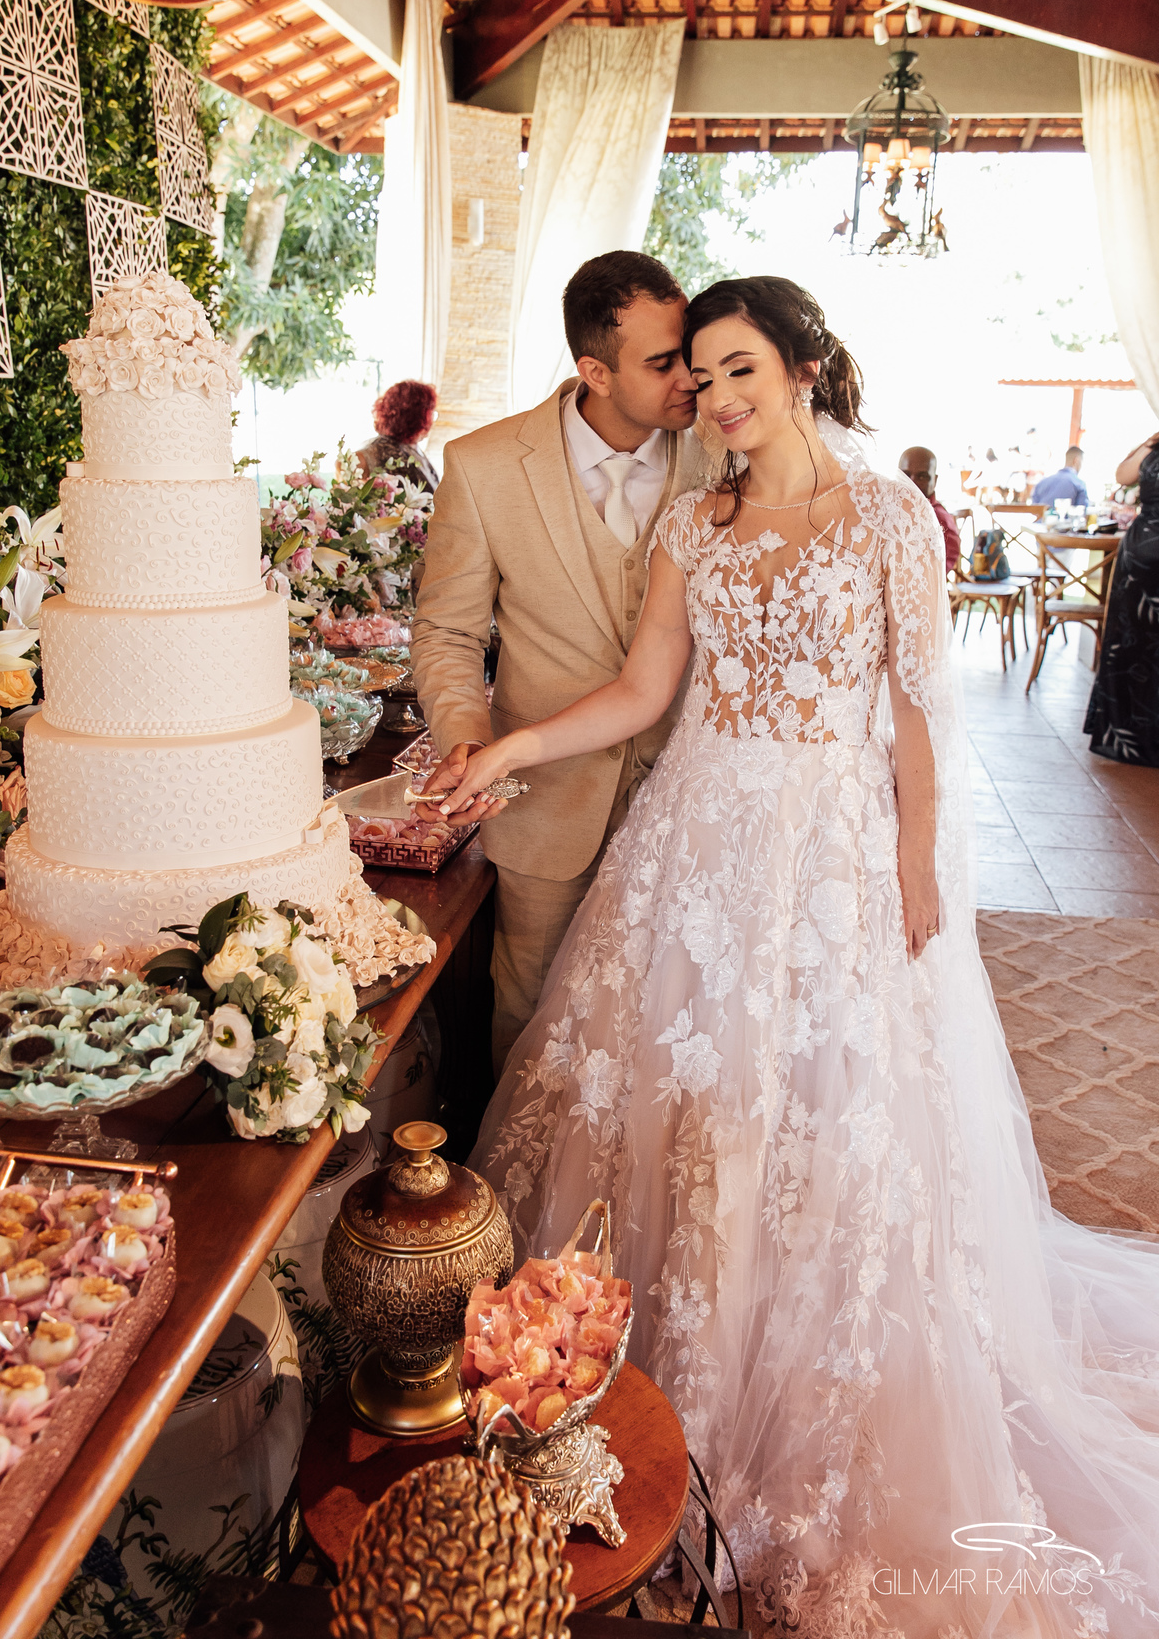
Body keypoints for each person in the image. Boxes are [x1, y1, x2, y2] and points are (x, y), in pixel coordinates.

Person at [447, 277, 1159, 1636]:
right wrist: (515, 747)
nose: (712, 403)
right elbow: (648, 690)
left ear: (806, 368)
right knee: (675, 1107)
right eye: (698, 381)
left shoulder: (890, 514)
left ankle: (797, 1384)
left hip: (828, 858)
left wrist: (913, 868)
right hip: (695, 842)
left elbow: (919, 714)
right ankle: (632, 1388)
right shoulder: (693, 521)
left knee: (829, 1120)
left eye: (738, 374)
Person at [410, 252, 705, 1075]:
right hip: (545, 806)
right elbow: (447, 633)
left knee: (674, 1019)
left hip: (691, 796)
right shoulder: (484, 466)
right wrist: (467, 738)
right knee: (532, 1019)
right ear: (594, 370)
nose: (691, 377)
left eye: (689, 352)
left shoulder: (723, 455)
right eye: (663, 362)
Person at [1084, 430, 1159, 767]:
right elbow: (1122, 475)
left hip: (1144, 551)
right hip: (1140, 561)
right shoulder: (1155, 445)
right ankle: (1127, 735)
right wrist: (1149, 441)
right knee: (1129, 646)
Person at [357, 378, 440, 494]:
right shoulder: (378, 451)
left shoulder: (411, 447)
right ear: (418, 416)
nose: (432, 420)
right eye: (431, 413)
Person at [898, 444, 961, 573]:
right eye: (905, 475)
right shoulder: (885, 509)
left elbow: (938, 571)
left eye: (922, 476)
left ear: (935, 480)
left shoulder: (938, 518)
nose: (912, 482)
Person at [1034, 444, 1090, 509]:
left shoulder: (1041, 483)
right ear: (1076, 460)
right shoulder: (1079, 484)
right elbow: (1082, 512)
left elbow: (1034, 510)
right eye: (1081, 462)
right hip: (1067, 518)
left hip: (1042, 518)